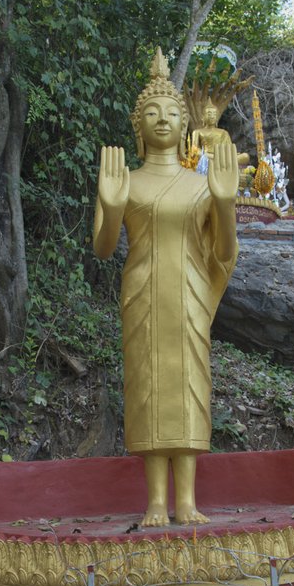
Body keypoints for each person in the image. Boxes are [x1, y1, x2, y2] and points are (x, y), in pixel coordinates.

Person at [93, 49, 239, 526]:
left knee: (190, 385)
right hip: (143, 294)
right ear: (138, 127)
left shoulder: (200, 186)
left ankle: (188, 501)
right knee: (148, 387)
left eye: (172, 113)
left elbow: (222, 251)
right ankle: (156, 501)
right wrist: (111, 206)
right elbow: (102, 246)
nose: (162, 119)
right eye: (152, 113)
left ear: (186, 126)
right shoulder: (125, 181)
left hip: (191, 294)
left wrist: (224, 205)